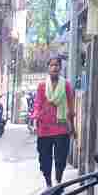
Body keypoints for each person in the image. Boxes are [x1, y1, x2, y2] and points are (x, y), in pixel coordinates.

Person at [33, 56, 76, 187]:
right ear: (48, 68)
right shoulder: (41, 86)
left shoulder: (66, 85)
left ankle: (58, 181)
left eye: (56, 65)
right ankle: (48, 184)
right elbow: (38, 105)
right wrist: (35, 121)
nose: (54, 67)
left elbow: (70, 106)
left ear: (60, 68)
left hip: (61, 127)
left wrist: (72, 127)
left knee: (61, 158)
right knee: (45, 159)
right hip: (44, 128)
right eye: (51, 65)